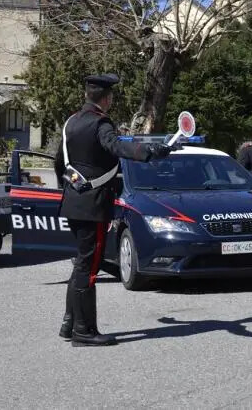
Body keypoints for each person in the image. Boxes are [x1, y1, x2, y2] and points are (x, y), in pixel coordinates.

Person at [54, 73, 177, 347]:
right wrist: (151, 152)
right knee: (90, 268)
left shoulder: (71, 122)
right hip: (93, 204)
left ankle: (69, 322)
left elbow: (59, 162)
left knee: (81, 265)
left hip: (73, 201)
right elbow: (116, 146)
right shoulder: (101, 123)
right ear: (106, 98)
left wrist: (68, 192)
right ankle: (84, 332)